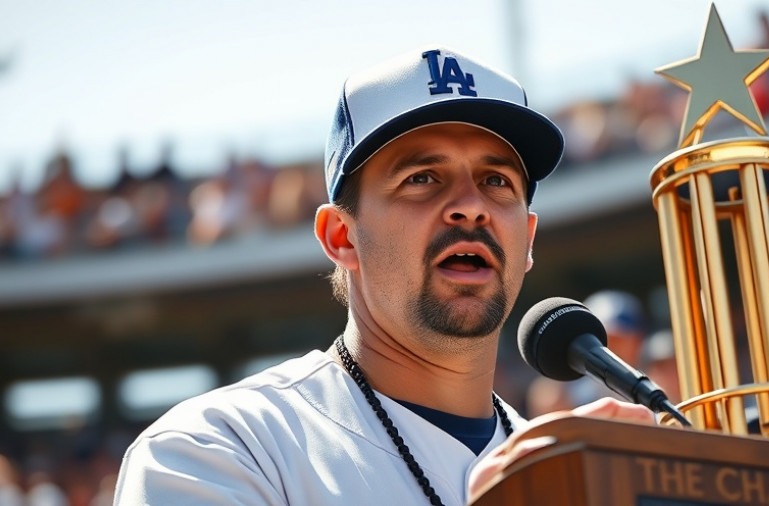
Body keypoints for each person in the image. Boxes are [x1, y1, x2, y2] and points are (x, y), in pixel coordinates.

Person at [113, 45, 653, 505]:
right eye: (422, 177)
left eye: (496, 180)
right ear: (341, 237)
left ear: (528, 239)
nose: (471, 206)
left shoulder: (572, 471)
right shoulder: (217, 447)